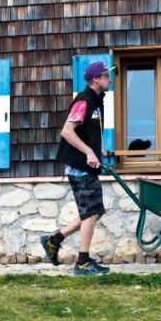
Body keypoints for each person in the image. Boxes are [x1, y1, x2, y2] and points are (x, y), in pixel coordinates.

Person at [39, 61, 115, 276]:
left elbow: (88, 133)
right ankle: (82, 263)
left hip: (86, 167)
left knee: (95, 212)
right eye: (106, 76)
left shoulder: (97, 102)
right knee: (91, 213)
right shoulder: (83, 101)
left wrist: (98, 152)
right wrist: (89, 153)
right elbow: (67, 132)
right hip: (79, 167)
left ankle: (54, 239)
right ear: (95, 80)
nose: (109, 79)